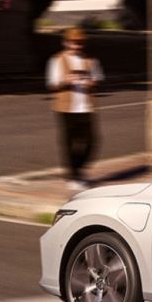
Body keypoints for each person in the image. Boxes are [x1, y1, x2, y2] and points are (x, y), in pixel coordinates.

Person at [46, 27, 104, 189]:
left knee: (93, 141)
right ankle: (73, 176)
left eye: (80, 43)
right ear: (66, 43)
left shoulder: (91, 61)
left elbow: (98, 80)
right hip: (65, 107)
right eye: (73, 42)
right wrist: (67, 81)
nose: (77, 46)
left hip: (86, 106)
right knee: (69, 142)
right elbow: (52, 84)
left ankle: (78, 169)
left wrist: (90, 82)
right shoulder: (57, 60)